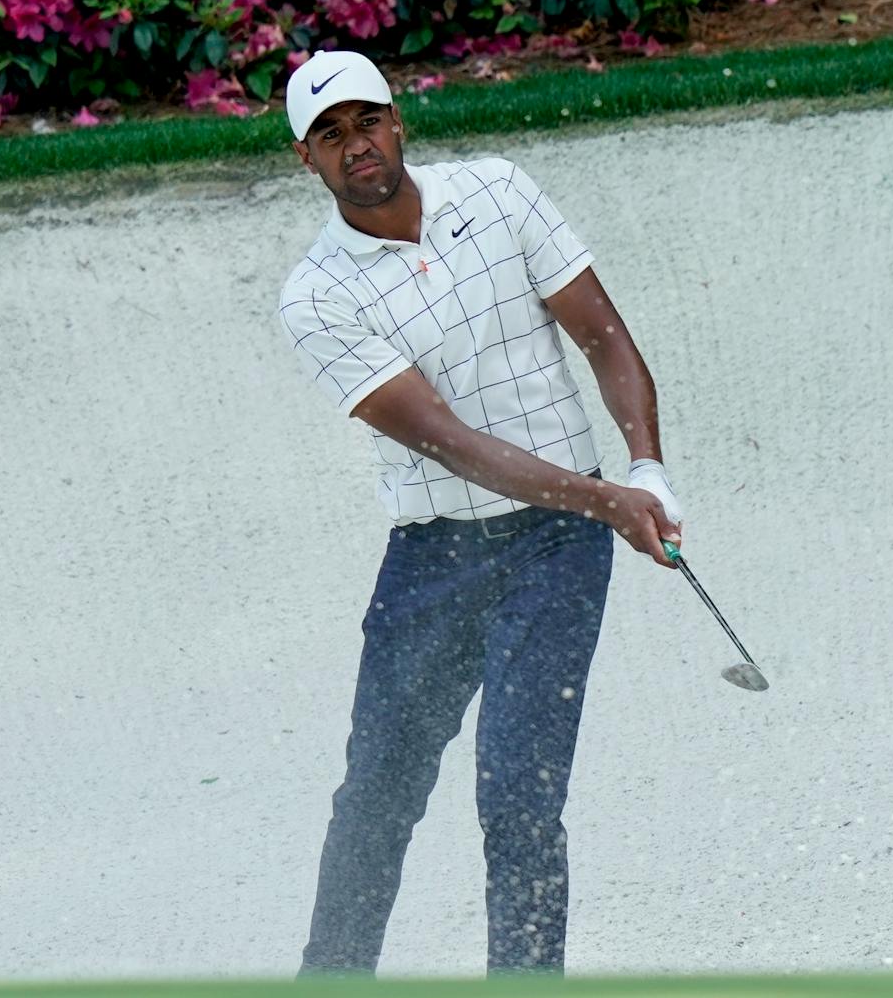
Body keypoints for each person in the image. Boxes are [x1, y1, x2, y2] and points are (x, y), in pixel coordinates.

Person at [275, 47, 683, 976]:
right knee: (377, 794)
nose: (357, 146)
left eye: (367, 121)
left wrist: (649, 467)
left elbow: (604, 336)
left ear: (398, 118)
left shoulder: (498, 194)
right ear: (308, 159)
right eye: (330, 135)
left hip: (556, 550)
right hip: (434, 559)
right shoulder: (318, 295)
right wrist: (611, 499)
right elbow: (449, 441)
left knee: (519, 793)